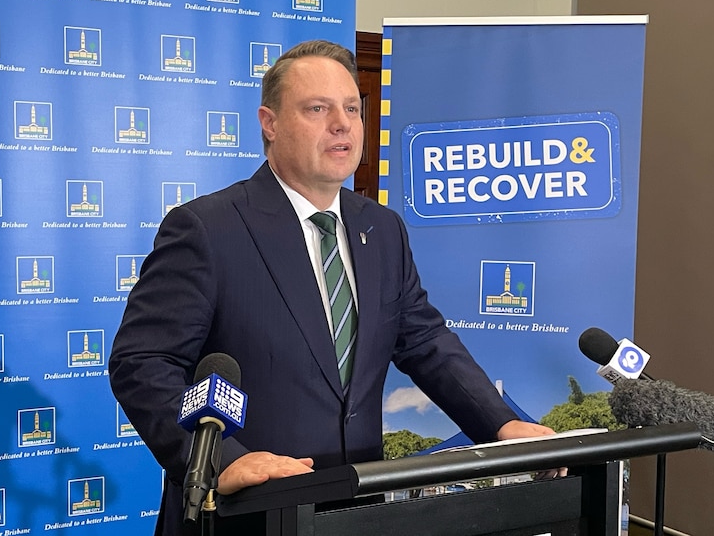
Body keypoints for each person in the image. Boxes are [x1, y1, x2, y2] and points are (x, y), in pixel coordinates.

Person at [109, 40, 557, 536]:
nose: (341, 124)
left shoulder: (382, 228)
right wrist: (223, 462)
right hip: (246, 515)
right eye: (317, 109)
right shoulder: (207, 229)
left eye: (351, 109)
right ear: (270, 123)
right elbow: (143, 364)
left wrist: (500, 425)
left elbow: (425, 341)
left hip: (359, 511)